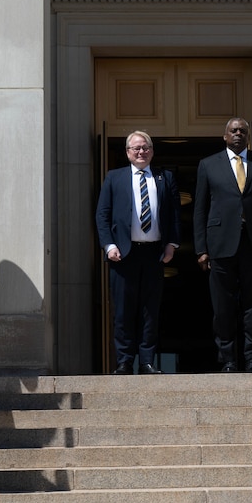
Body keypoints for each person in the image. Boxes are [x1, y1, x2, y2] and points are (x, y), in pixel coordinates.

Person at [193, 117, 252, 373]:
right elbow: (200, 210)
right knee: (223, 307)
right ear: (225, 136)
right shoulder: (208, 165)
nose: (238, 134)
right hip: (220, 246)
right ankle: (228, 360)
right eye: (233, 131)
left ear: (248, 136)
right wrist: (201, 249)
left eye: (243, 131)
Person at [96, 131, 181, 375]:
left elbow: (174, 215)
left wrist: (172, 245)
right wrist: (109, 245)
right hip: (123, 255)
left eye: (145, 148)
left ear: (152, 151)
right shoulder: (114, 178)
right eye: (136, 148)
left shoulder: (165, 178)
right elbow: (102, 215)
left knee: (149, 310)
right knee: (123, 310)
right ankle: (124, 361)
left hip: (154, 253)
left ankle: (147, 362)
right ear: (127, 152)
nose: (141, 152)